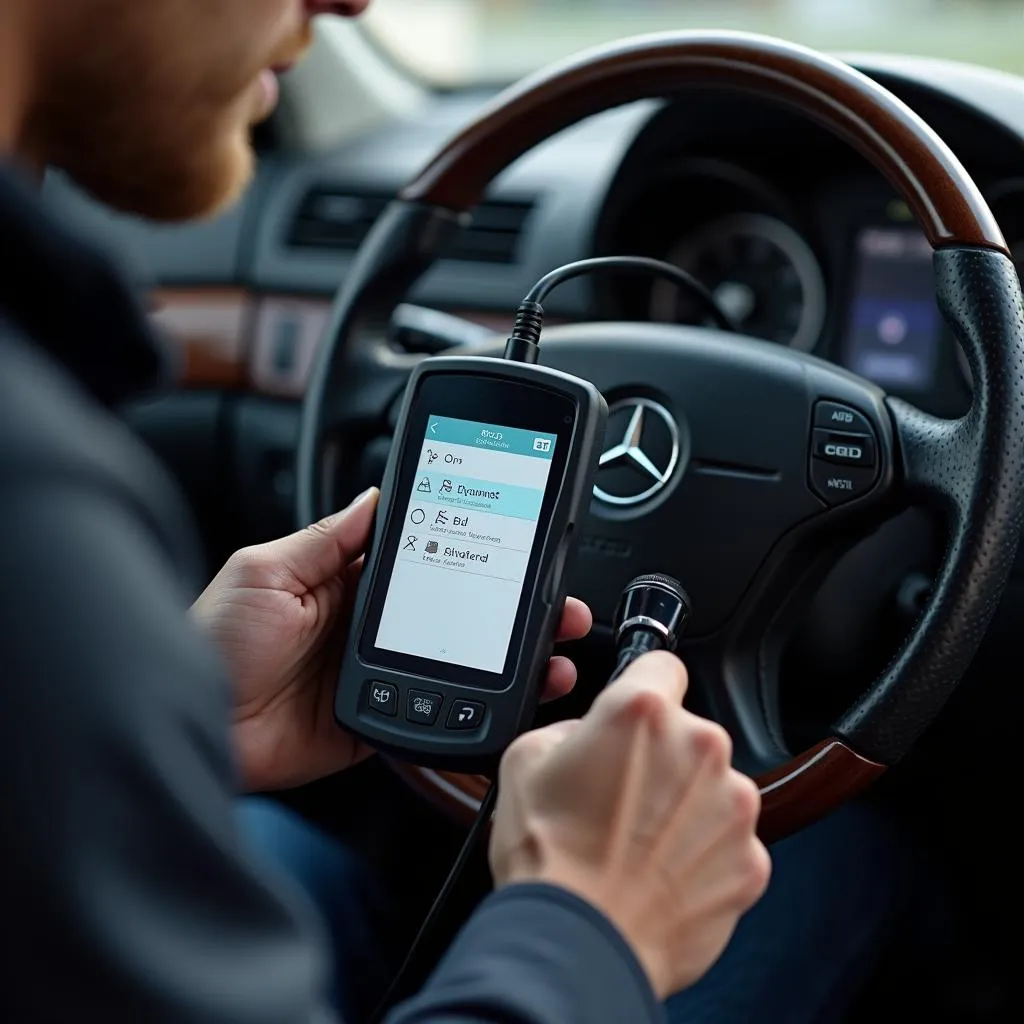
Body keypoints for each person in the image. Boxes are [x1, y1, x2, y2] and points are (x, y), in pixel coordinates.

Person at [0, 1, 772, 1022]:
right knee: (843, 867)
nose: (353, 3)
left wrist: (171, 714)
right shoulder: (36, 511)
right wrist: (591, 923)